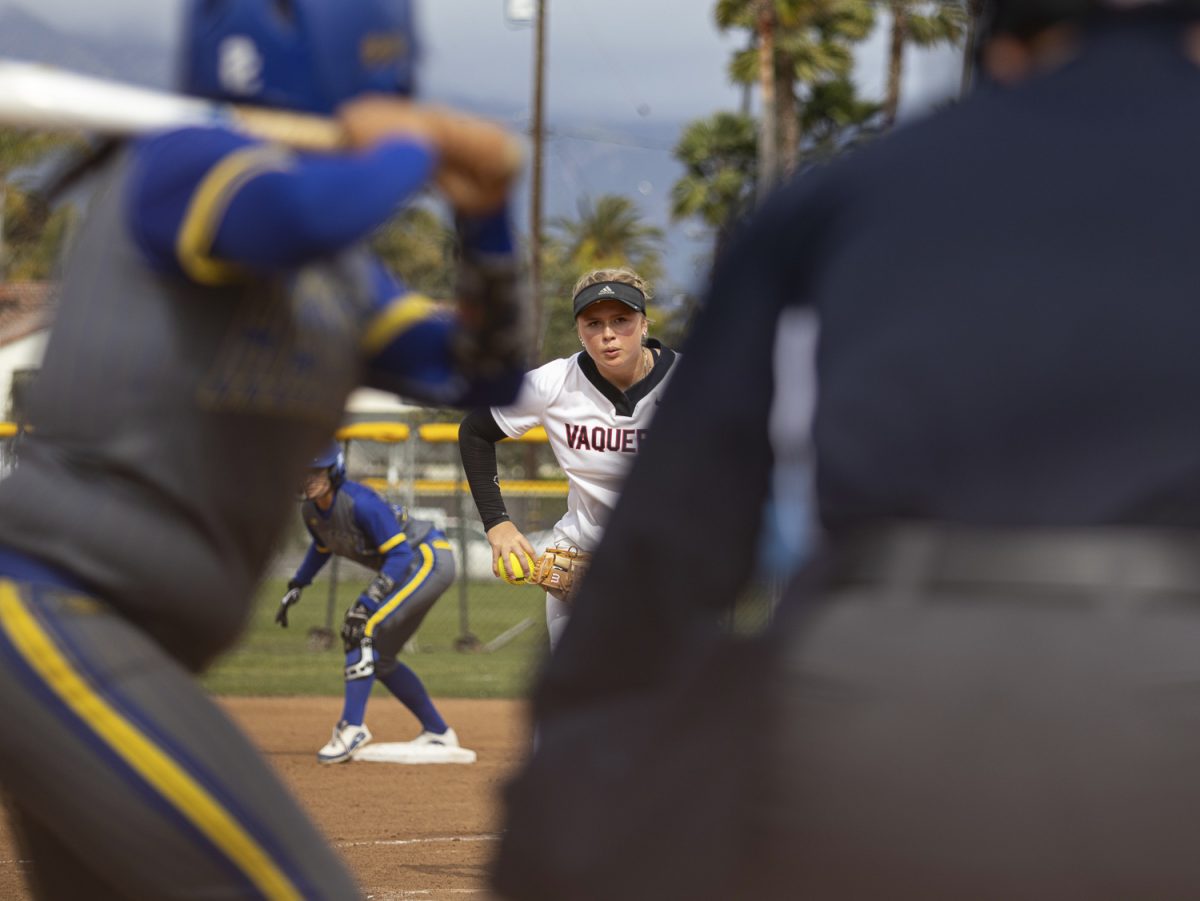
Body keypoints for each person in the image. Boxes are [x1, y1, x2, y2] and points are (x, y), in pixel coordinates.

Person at [490, 0, 1200, 899]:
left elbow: (665, 563)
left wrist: (553, 821)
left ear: (1003, 49)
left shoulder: (842, 198)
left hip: (876, 701)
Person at [0, 0, 528, 896]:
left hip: (132, 645)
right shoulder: (180, 166)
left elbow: (487, 372)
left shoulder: (343, 275)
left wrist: (486, 223)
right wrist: (407, 149)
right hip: (53, 616)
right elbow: (291, 218)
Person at [458, 268, 678, 648]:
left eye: (621, 320)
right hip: (582, 559)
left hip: (666, 568)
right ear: (579, 331)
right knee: (581, 700)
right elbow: (476, 431)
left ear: (644, 324)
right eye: (593, 323)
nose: (608, 334)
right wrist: (498, 524)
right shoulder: (554, 382)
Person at [277, 442, 458, 763]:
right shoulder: (311, 512)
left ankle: (352, 727)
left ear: (335, 471)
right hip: (408, 567)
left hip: (427, 558)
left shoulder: (361, 502)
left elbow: (401, 553)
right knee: (381, 658)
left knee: (358, 625)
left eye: (316, 472)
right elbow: (321, 549)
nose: (308, 480)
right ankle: (438, 732)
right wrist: (298, 584)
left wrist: (370, 598)